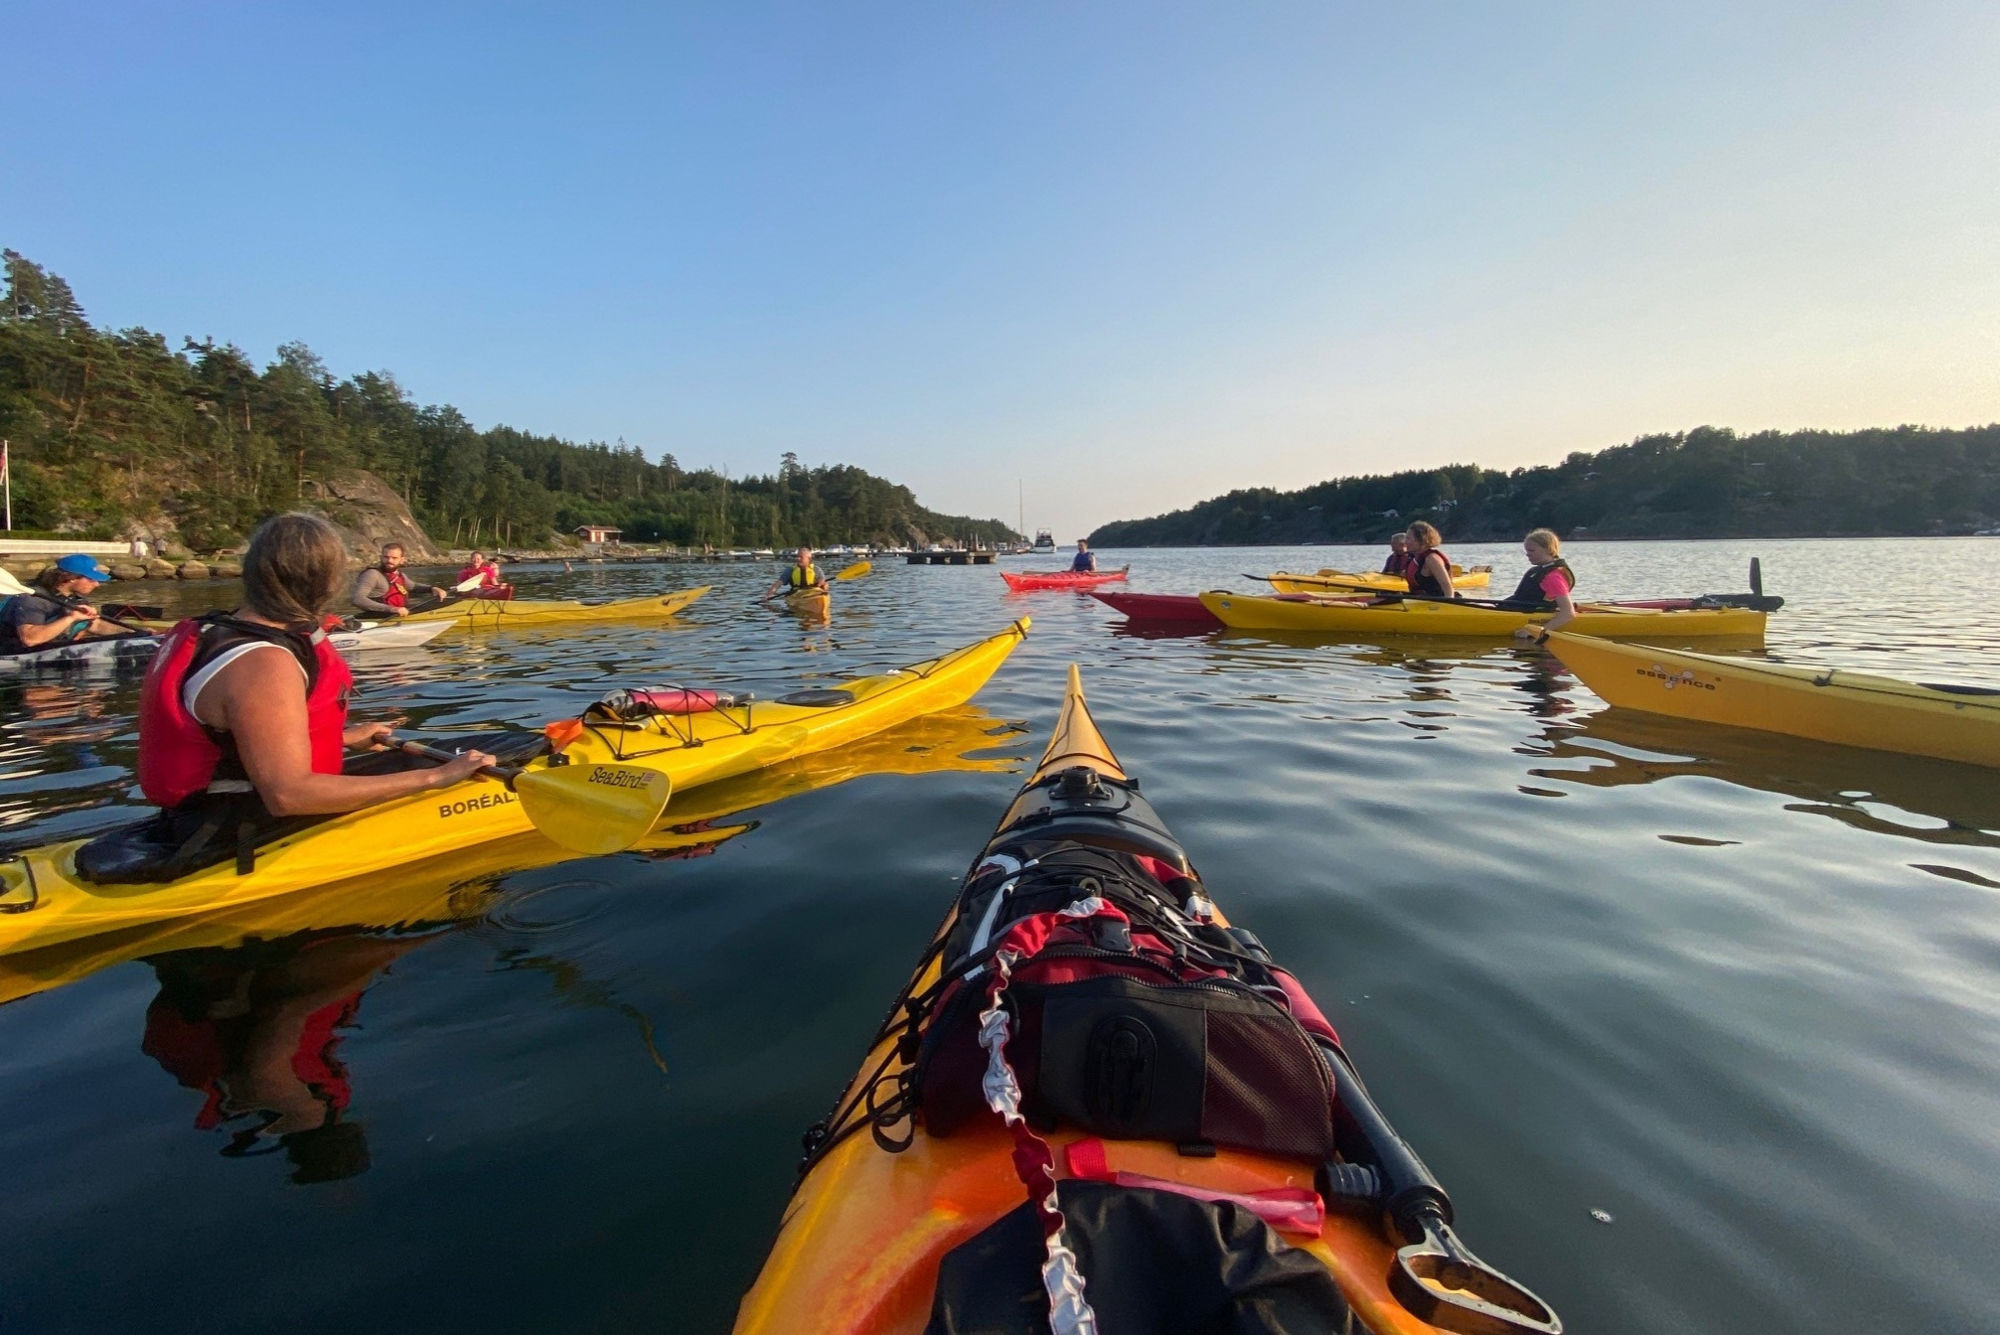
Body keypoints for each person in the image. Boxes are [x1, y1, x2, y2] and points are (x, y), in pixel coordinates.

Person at [127, 514, 492, 874]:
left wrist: (340, 738)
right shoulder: (263, 663)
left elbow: (230, 740)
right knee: (425, 775)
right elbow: (288, 796)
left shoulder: (217, 631)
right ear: (323, 582)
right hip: (236, 832)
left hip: (200, 814)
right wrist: (436, 778)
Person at [0, 554, 125, 654]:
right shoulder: (32, 599)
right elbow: (30, 639)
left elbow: (96, 625)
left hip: (46, 654)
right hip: (12, 656)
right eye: (91, 579)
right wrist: (71, 618)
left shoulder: (76, 599)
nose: (97, 584)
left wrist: (131, 633)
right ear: (71, 578)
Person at [1509, 528, 1579, 638]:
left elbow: (1568, 613)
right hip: (1519, 608)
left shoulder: (1553, 577)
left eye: (1531, 551)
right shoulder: (1539, 571)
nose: (1527, 554)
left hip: (1534, 613)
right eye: (1527, 551)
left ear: (1548, 549)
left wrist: (1537, 632)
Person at [353, 542, 446, 618]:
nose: (390, 561)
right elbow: (358, 599)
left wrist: (432, 588)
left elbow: (414, 586)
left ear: (402, 560)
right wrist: (392, 609)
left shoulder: (399, 575)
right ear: (381, 557)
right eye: (386, 557)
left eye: (394, 558)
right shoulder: (372, 574)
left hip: (399, 615)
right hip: (380, 617)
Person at [1403, 522, 1456, 599]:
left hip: (1437, 601)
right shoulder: (1414, 558)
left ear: (1421, 540)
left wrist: (1449, 601)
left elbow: (1447, 586)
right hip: (1419, 600)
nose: (1405, 542)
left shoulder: (1432, 559)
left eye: (1408, 538)